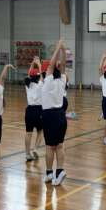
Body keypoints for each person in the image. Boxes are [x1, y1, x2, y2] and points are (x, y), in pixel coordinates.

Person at [41, 40, 68, 185]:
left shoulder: (48, 81)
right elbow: (63, 65)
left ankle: (49, 173)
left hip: (50, 116)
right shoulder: (62, 79)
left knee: (50, 146)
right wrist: (63, 50)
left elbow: (52, 65)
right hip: (61, 115)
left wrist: (58, 48)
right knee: (59, 145)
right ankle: (59, 171)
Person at [24, 56, 43, 161]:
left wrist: (32, 63)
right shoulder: (40, 85)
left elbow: (29, 74)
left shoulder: (27, 85)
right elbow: (41, 77)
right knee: (40, 131)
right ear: (38, 76)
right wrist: (39, 64)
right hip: (39, 110)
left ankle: (27, 154)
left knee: (28, 133)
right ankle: (35, 148)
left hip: (29, 110)